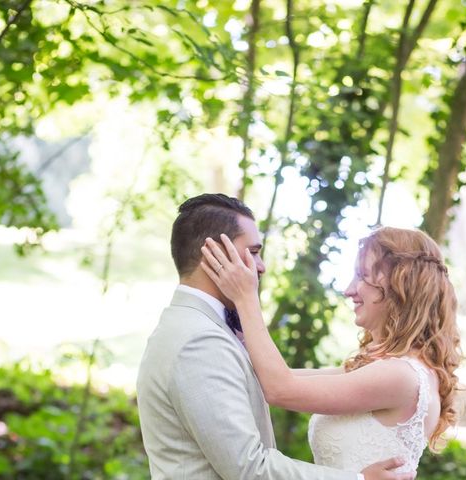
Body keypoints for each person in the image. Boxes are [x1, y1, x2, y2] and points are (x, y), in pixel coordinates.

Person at [137, 193, 415, 480]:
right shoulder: (199, 341)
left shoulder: (198, 327)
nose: (262, 266)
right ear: (217, 255)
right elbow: (249, 468)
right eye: (254, 251)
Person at [201, 225, 463, 474]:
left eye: (362, 276)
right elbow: (274, 376)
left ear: (401, 285)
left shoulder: (400, 376)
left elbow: (280, 389)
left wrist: (246, 297)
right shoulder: (389, 370)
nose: (348, 290)